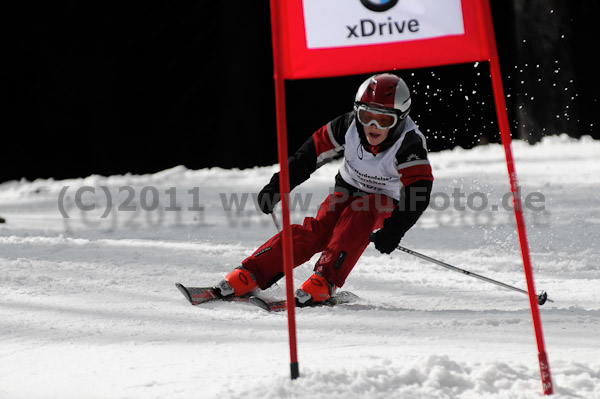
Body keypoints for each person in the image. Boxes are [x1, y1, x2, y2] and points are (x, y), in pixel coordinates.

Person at [214, 73, 434, 306]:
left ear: (401, 119)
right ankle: (253, 272)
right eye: (366, 116)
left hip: (386, 199)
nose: (373, 126)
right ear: (356, 111)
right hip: (348, 187)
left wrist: (394, 230)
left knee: (359, 212)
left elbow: (418, 190)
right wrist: (278, 185)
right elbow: (308, 155)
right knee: (318, 229)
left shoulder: (409, 144)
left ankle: (325, 280)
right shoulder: (347, 126)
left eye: (384, 120)